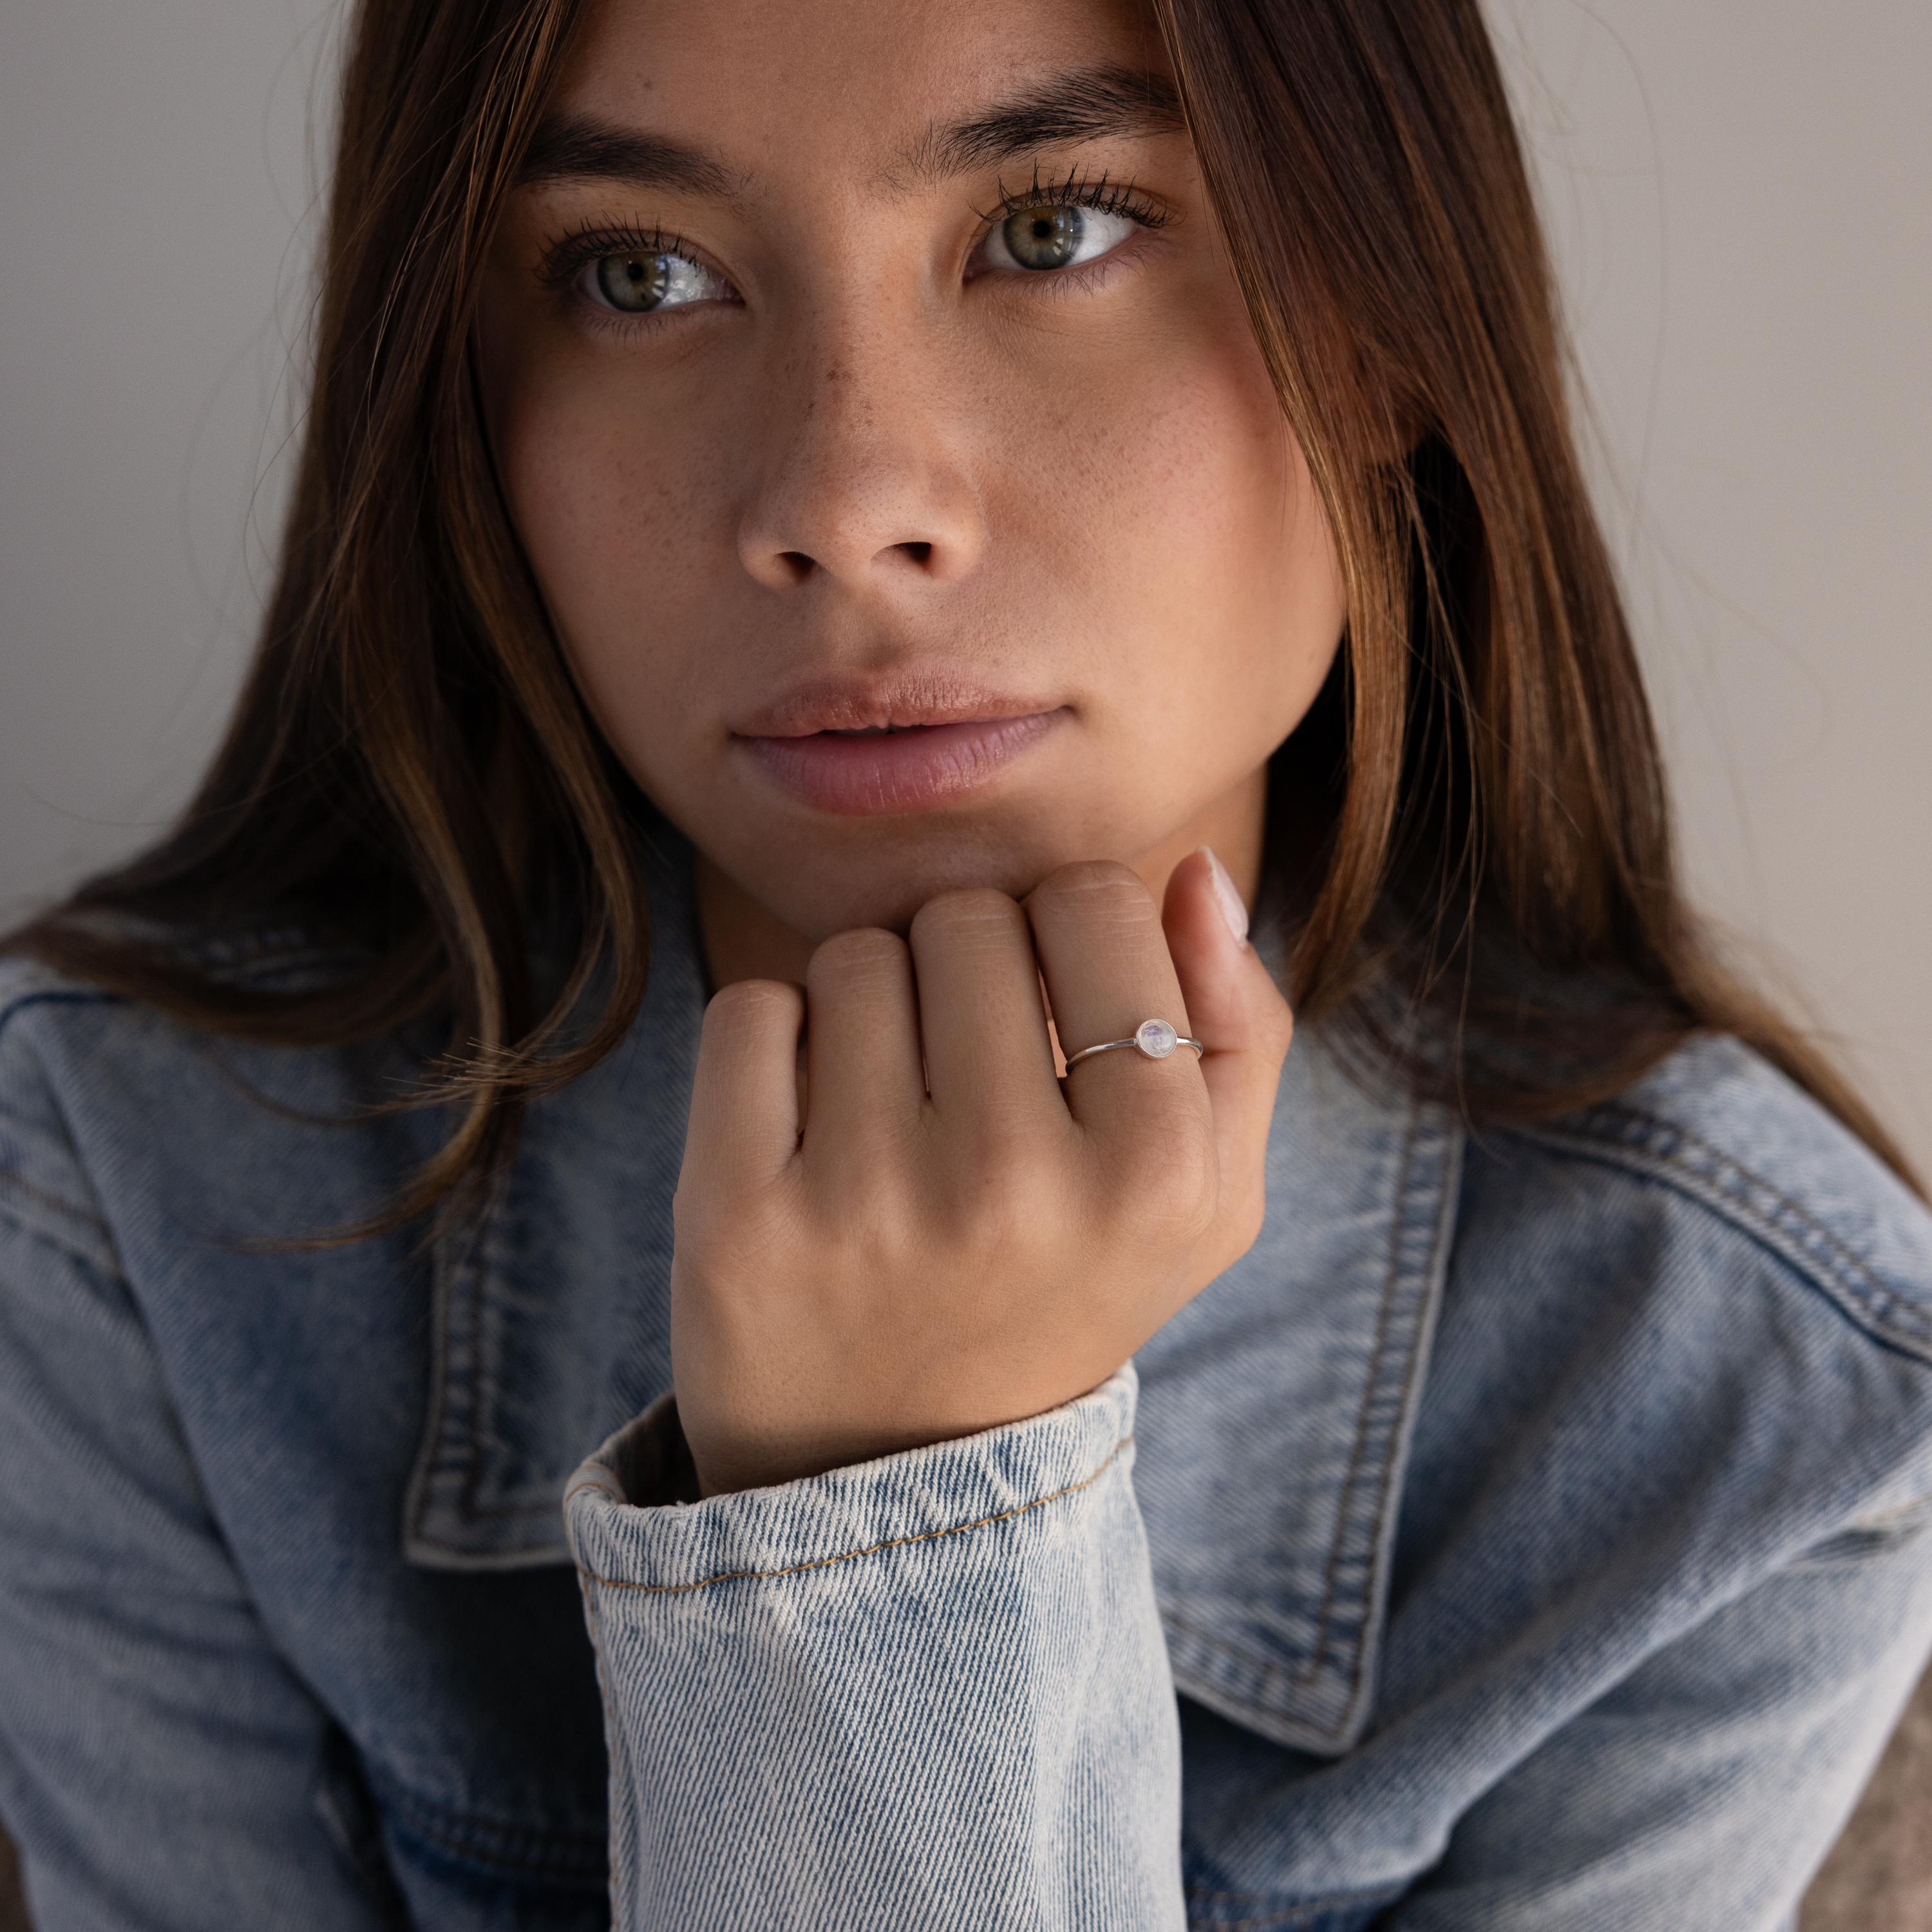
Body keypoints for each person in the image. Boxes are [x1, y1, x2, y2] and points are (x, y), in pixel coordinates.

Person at [1, 0, 1929, 1924]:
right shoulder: (123, 1193)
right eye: (640, 272)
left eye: (1055, 230)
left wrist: (886, 1508)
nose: (844, 508)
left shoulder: (1771, 1424)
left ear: (1395, 314)